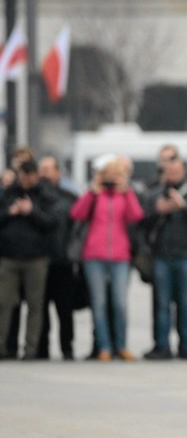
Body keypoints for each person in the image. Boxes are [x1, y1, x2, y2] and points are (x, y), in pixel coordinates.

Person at [69, 154, 144, 361]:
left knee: (119, 303)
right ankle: (104, 346)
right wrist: (92, 192)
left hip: (120, 256)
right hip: (93, 255)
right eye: (107, 175)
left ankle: (121, 345)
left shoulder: (125, 194)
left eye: (115, 175)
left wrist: (126, 190)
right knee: (98, 303)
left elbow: (136, 216)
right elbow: (77, 214)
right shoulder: (94, 195)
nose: (111, 178)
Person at [140, 153, 187, 359]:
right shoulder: (154, 194)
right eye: (169, 171)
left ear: (184, 172)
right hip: (162, 256)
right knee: (162, 304)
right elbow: (141, 220)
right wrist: (157, 211)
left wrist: (184, 206)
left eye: (176, 171)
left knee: (186, 303)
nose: (172, 175)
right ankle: (162, 346)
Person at [0, 156, 61, 359]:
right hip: (9, 256)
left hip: (36, 258)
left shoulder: (45, 194)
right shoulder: (9, 192)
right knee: (4, 303)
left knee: (36, 305)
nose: (26, 182)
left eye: (29, 177)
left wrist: (31, 211)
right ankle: (3, 346)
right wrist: (10, 212)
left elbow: (52, 221)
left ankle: (31, 349)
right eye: (23, 178)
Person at [36, 155, 79, 360]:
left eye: (48, 169)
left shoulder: (69, 197)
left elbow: (77, 228)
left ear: (58, 172)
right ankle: (41, 348)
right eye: (41, 169)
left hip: (63, 260)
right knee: (40, 309)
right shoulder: (32, 196)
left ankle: (67, 347)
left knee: (65, 309)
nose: (44, 173)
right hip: (39, 260)